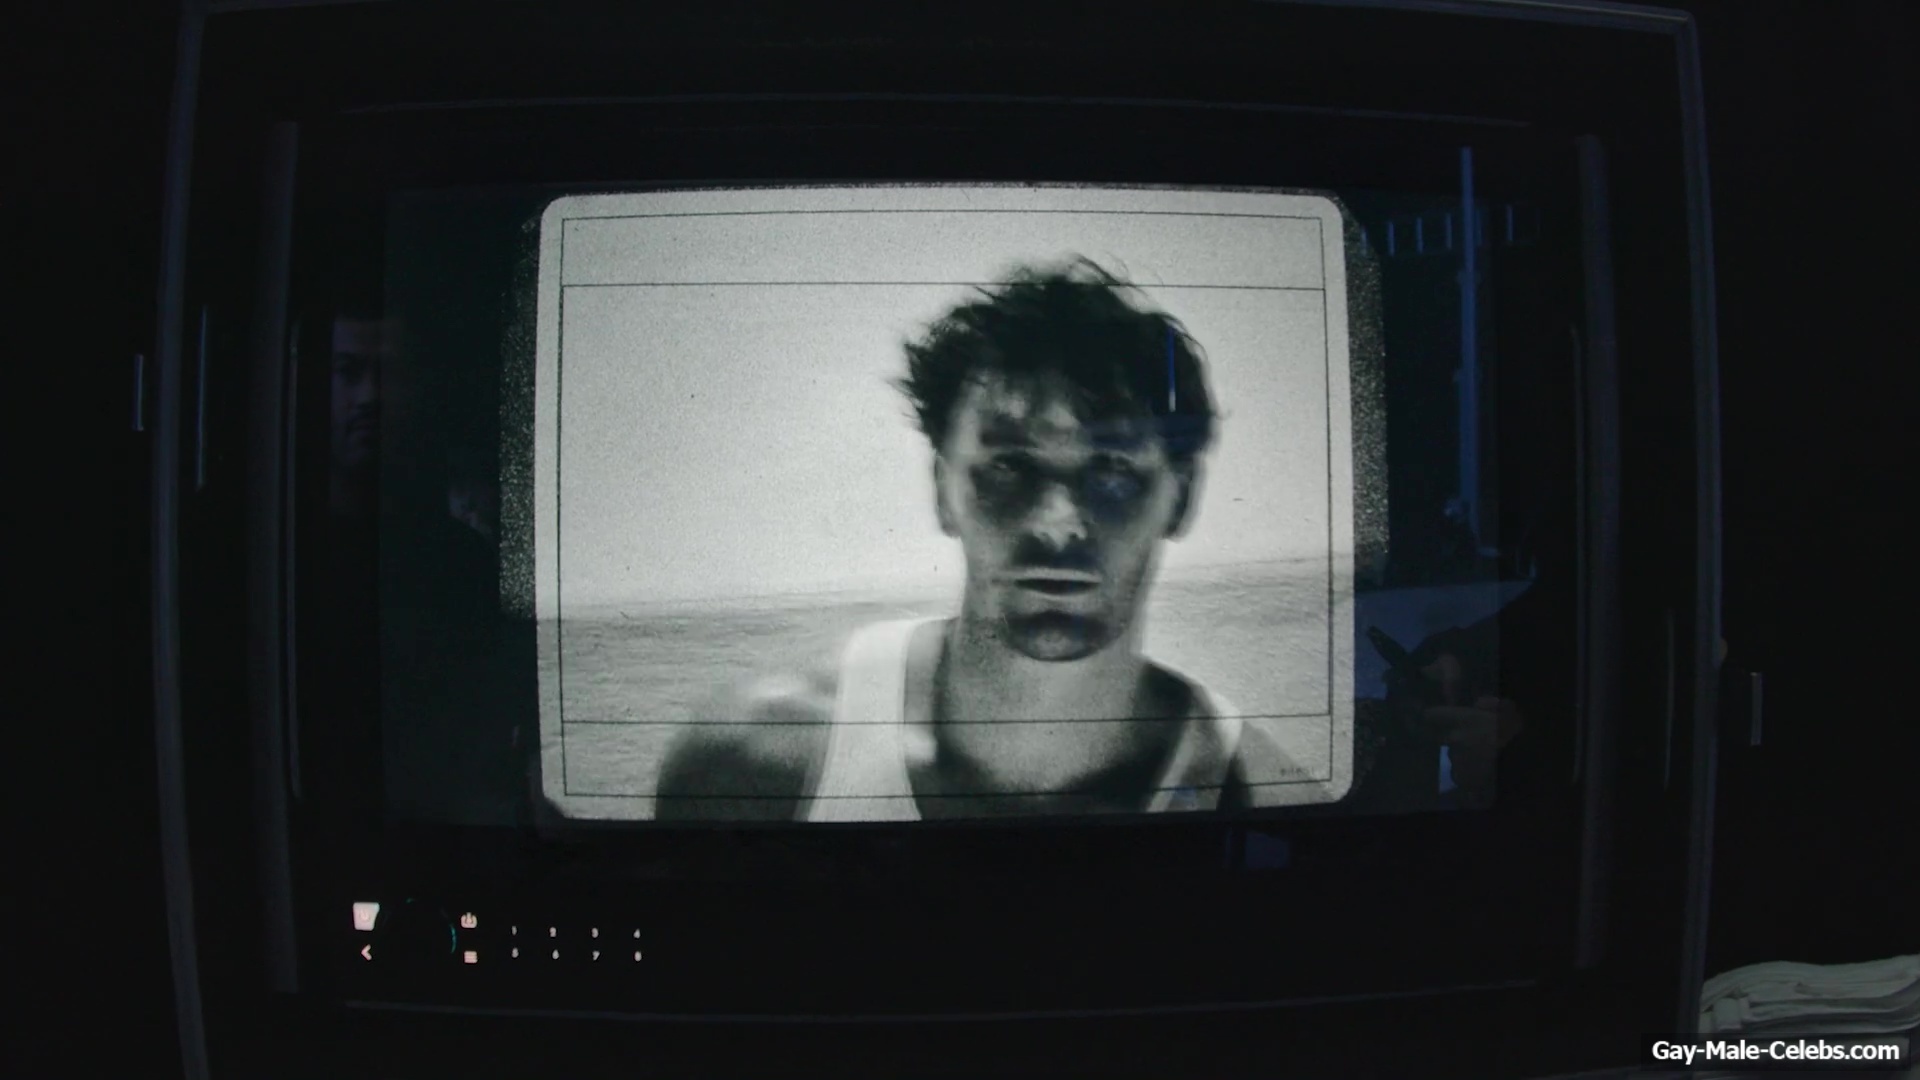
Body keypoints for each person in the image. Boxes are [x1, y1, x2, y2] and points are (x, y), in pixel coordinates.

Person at [655, 258, 1301, 821]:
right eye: (1008, 467)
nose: (1056, 522)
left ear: (1181, 498)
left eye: (1111, 469)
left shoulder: (1267, 798)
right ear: (943, 488)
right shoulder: (755, 767)